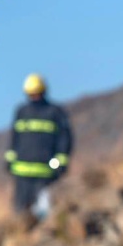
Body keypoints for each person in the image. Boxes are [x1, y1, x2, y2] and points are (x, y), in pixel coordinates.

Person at [5, 73, 73, 217]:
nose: (34, 96)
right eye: (32, 94)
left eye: (37, 93)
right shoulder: (21, 112)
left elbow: (65, 139)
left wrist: (60, 163)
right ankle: (22, 234)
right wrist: (10, 159)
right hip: (22, 171)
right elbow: (14, 139)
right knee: (21, 211)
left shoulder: (55, 112)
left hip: (45, 172)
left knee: (43, 211)